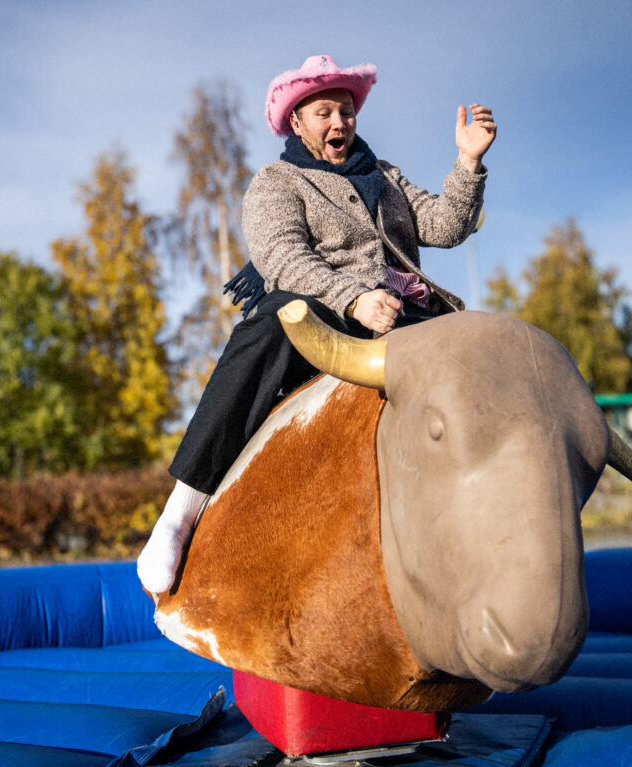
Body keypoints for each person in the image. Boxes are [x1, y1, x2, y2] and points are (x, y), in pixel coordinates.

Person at [137, 55, 497, 592]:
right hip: (327, 308)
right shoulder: (278, 181)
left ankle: (493, 506)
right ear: (297, 123)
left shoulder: (386, 177)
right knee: (272, 325)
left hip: (408, 311)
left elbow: (444, 227)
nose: (339, 122)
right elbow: (281, 256)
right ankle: (181, 512)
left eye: (346, 111)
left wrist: (467, 163)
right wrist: (354, 299)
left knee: (488, 350)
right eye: (325, 112)